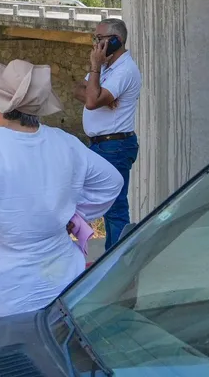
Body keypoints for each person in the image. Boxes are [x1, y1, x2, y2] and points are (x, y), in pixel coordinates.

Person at [0, 58, 123, 322]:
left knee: (0, 362)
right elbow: (111, 182)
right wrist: (73, 215)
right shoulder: (64, 142)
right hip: (61, 281)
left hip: (1, 287)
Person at [71, 18, 141, 249]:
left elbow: (90, 100)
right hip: (101, 145)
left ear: (115, 41)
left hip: (115, 146)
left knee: (115, 207)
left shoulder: (125, 69)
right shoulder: (107, 68)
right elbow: (77, 90)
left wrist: (94, 71)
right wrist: (98, 94)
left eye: (99, 39)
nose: (95, 44)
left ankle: (118, 261)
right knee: (97, 201)